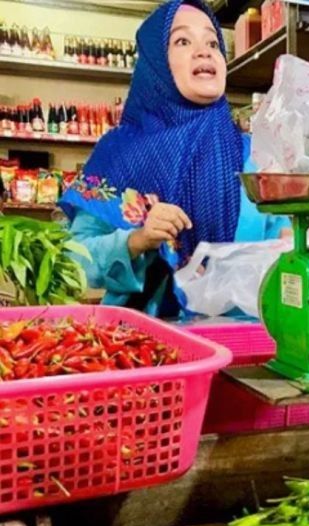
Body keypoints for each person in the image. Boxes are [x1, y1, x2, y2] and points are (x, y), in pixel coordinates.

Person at [59, 0, 290, 317]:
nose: (204, 51)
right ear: (156, 63)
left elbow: (280, 235)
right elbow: (73, 261)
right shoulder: (119, 153)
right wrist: (137, 240)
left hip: (242, 341)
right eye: (183, 41)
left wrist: (296, 245)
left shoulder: (255, 154)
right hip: (147, 343)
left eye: (213, 42)